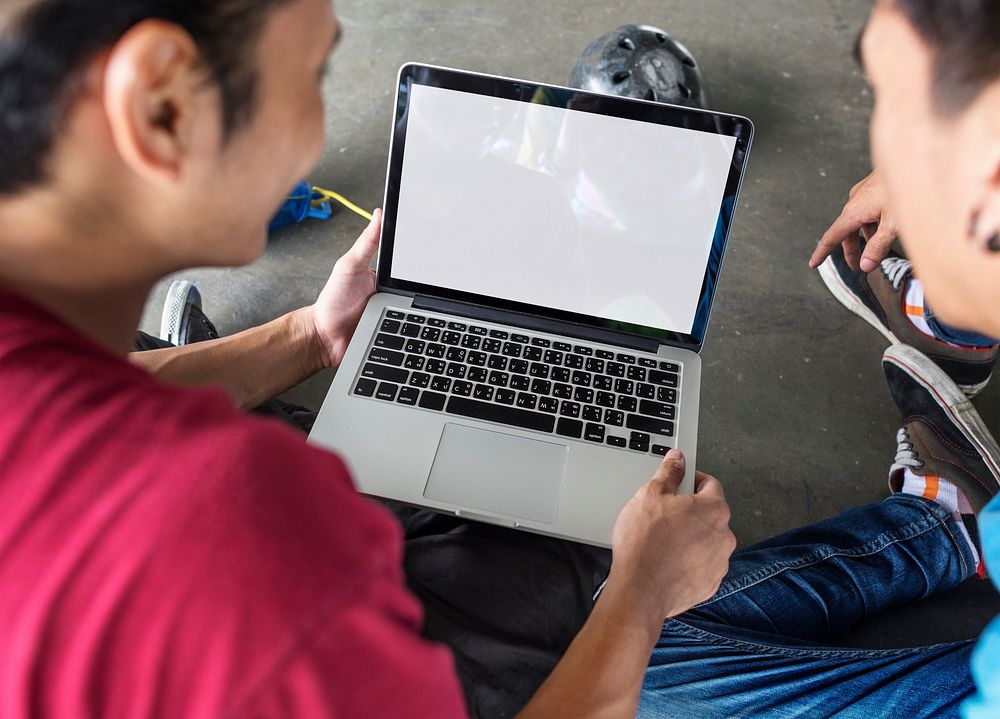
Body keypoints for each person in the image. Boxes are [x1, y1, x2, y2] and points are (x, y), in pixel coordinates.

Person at [2, 3, 999, 719]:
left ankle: (939, 525)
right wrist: (638, 595)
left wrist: (311, 334)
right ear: (163, 103)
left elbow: (90, 396)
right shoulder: (256, 548)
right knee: (650, 650)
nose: (317, 121)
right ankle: (943, 530)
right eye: (314, 71)